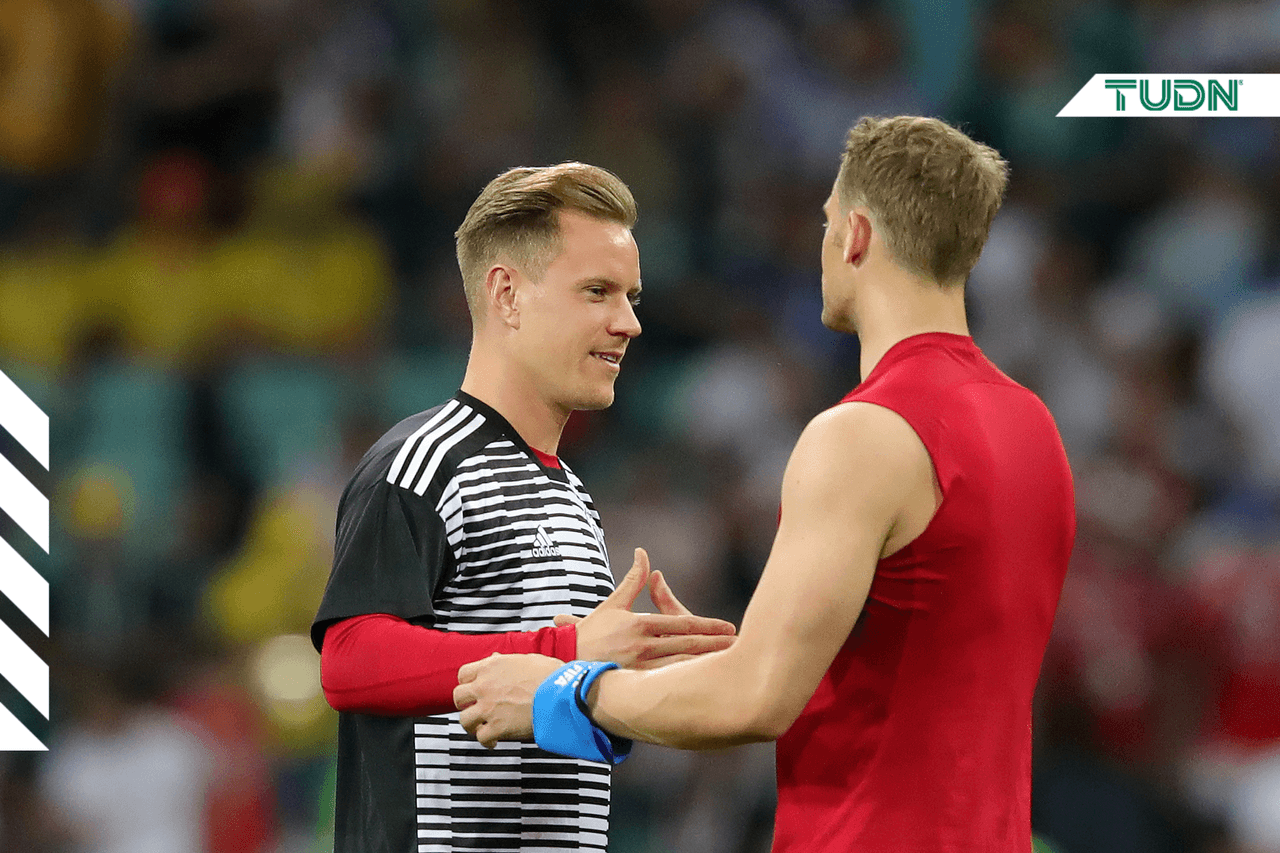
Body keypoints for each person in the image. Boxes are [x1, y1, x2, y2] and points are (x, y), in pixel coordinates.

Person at [452, 116, 1078, 852]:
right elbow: (924, 667)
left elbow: (755, 701)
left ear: (857, 236)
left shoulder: (861, 435)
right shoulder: (1033, 426)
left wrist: (557, 694)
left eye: (826, 222)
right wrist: (715, 668)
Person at [310, 162, 737, 853]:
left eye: (631, 296)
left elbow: (555, 705)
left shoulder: (572, 494)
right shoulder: (422, 464)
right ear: (507, 294)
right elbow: (349, 658)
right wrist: (568, 651)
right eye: (597, 291)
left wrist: (658, 674)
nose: (629, 323)